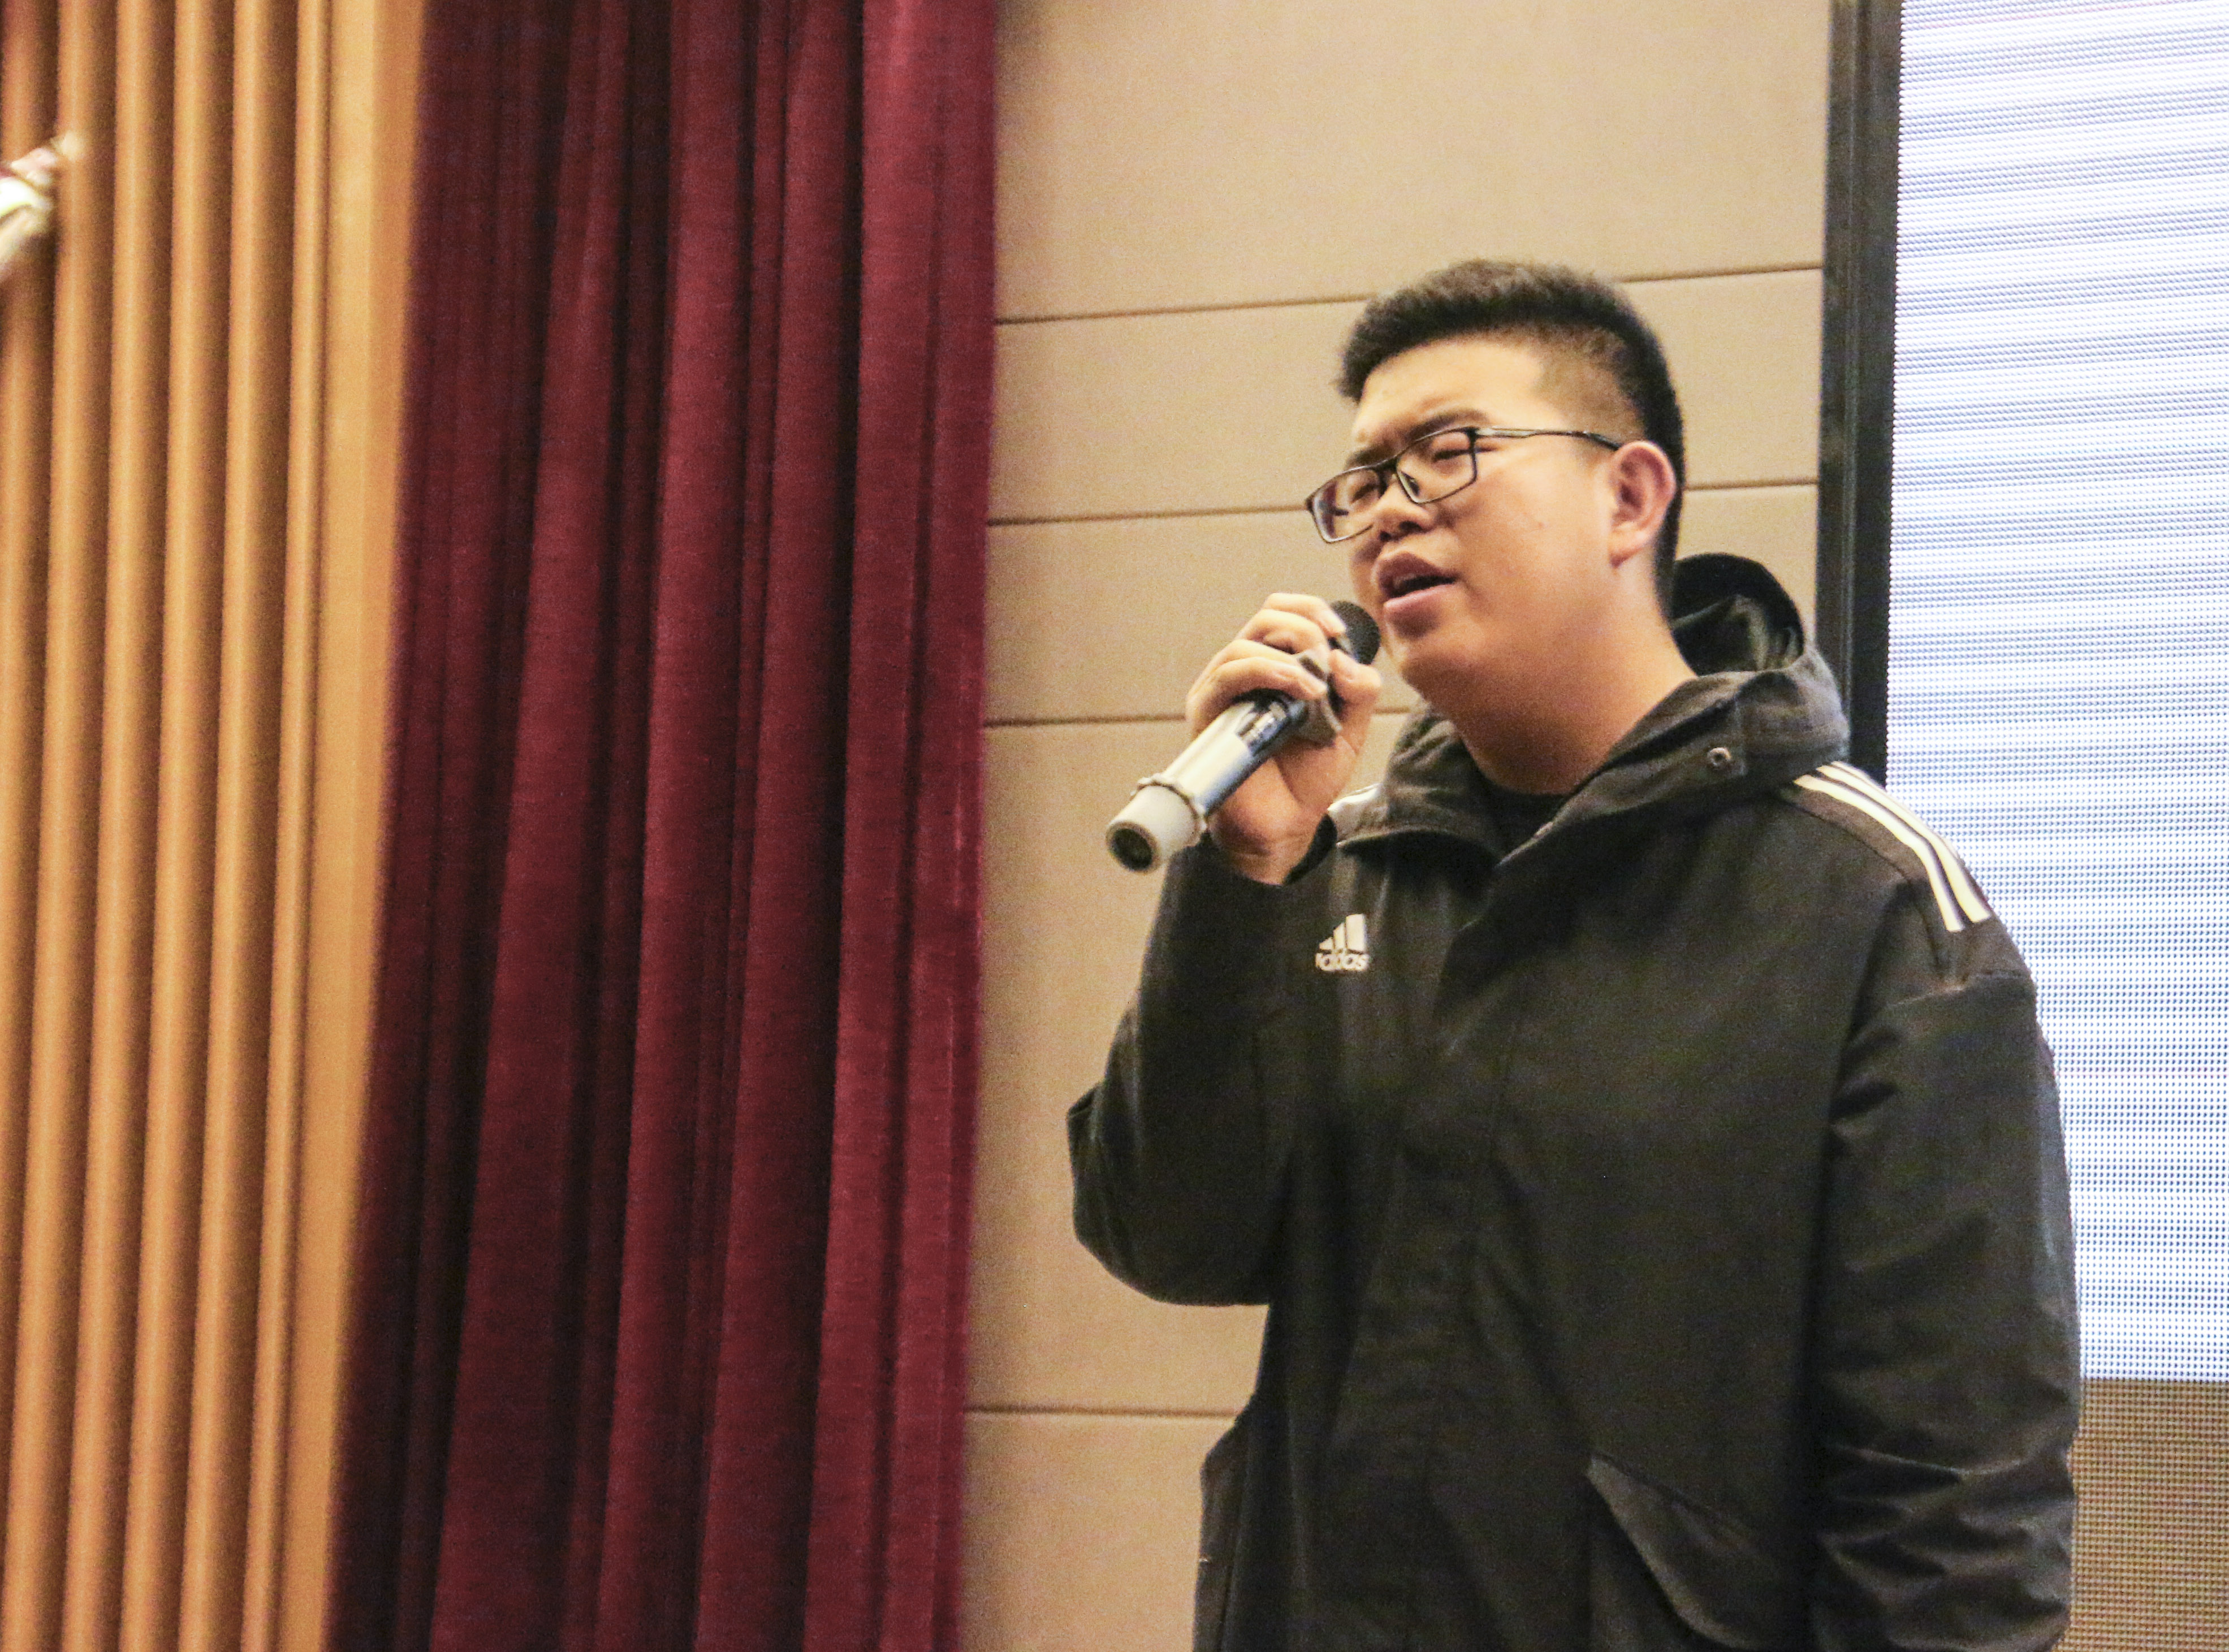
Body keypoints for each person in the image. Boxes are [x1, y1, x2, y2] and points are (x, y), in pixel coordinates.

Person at [1068, 260, 2080, 1651]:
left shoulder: (1872, 906)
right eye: (1361, 482)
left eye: (1448, 452)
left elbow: (1958, 1502)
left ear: (1630, 497)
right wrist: (1238, 883)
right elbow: (1171, 1240)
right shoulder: (1336, 865)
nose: (1391, 509)